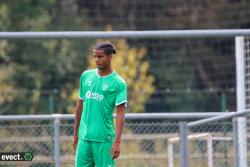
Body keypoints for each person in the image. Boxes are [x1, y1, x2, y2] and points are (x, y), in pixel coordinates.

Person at [73, 42, 127, 167]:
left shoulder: (118, 83)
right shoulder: (86, 76)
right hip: (84, 139)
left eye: (100, 57)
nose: (97, 60)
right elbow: (79, 106)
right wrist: (76, 134)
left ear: (109, 57)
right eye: (95, 56)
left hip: (104, 140)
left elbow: (120, 114)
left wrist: (117, 142)